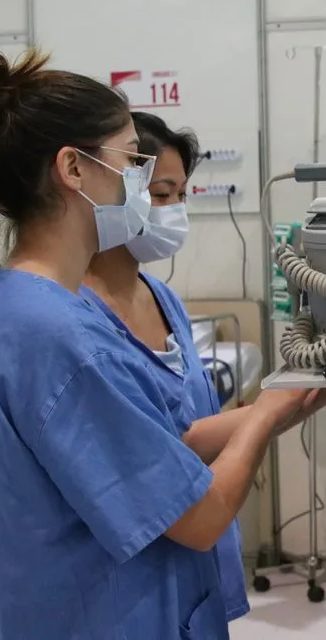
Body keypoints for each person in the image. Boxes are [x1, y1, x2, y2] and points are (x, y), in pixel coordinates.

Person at [0, 50, 326, 639]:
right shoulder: (56, 333)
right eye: (132, 160)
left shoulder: (19, 306)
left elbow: (159, 448)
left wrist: (291, 398)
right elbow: (200, 518)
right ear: (73, 169)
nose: (143, 182)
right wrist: (264, 423)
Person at [79, 111, 252, 623]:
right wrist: (264, 419)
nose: (174, 210)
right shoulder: (76, 319)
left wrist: (294, 398)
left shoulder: (163, 299)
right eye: (160, 194)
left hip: (195, 565)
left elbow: (187, 435)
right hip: (130, 580)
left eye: (182, 195)